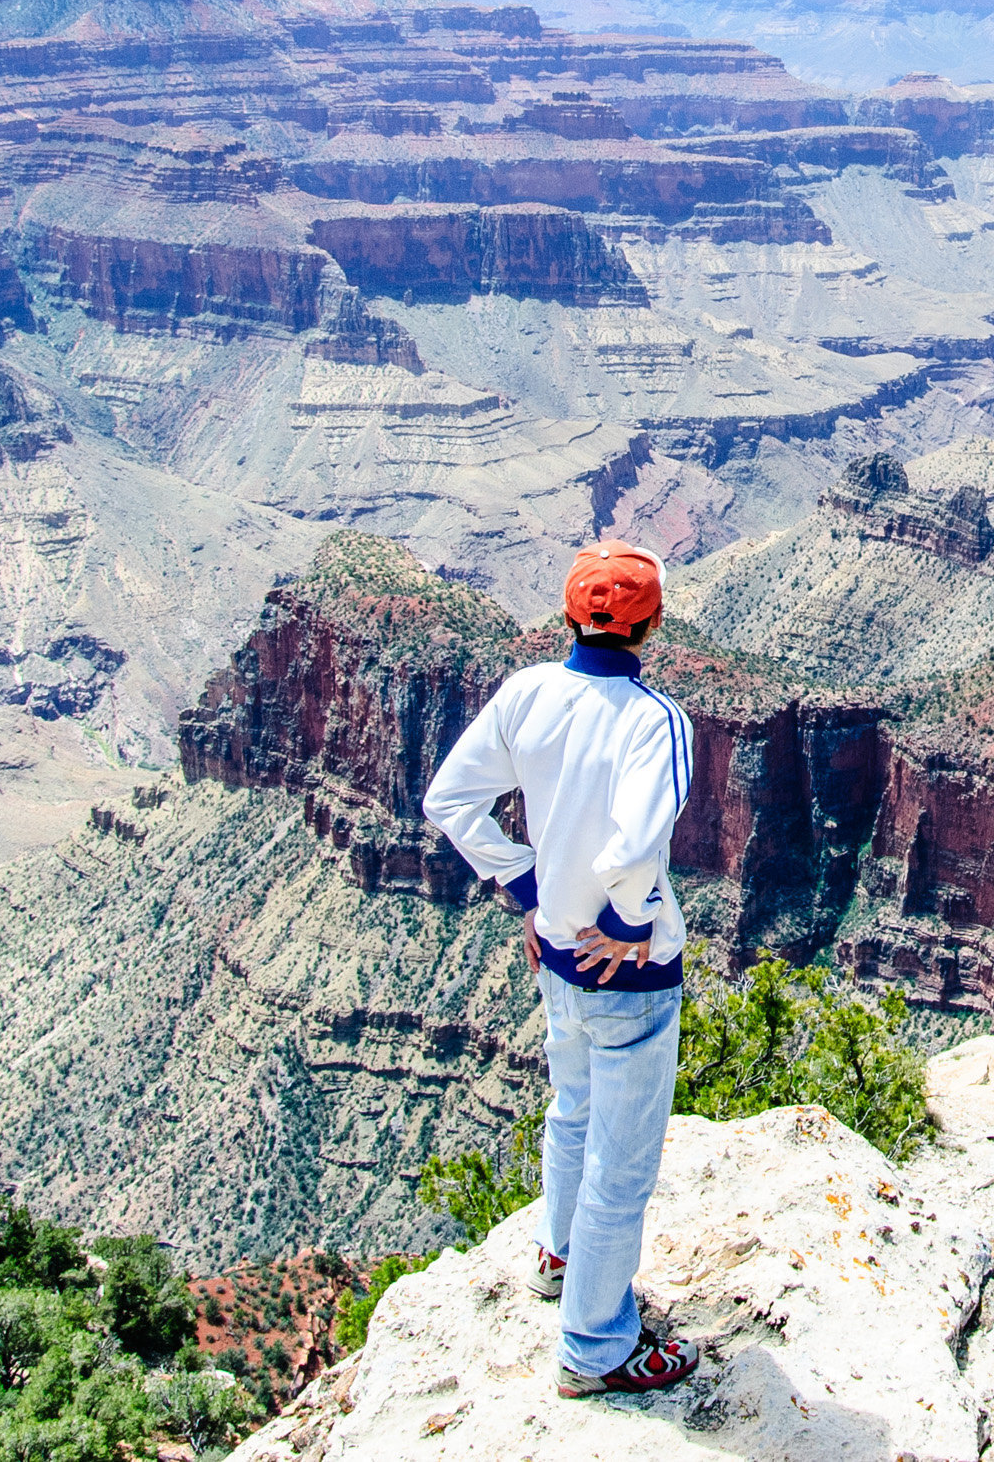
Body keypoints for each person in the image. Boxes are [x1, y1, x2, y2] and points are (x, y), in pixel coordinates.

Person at [421, 539, 703, 1399]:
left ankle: (558, 1253)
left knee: (571, 1105)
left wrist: (526, 884)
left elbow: (448, 801)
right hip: (628, 971)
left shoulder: (527, 693)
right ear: (652, 623)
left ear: (570, 614)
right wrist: (622, 920)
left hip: (553, 952)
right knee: (623, 1165)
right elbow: (637, 843)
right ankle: (594, 1345)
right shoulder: (656, 721)